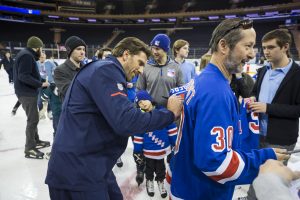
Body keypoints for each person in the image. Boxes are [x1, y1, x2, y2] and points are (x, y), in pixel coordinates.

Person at [45, 37, 183, 200]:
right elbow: (126, 121)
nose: (141, 71)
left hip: (93, 165)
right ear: (126, 55)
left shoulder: (104, 69)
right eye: (140, 63)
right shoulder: (106, 71)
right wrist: (169, 114)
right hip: (78, 172)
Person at [168, 18, 289, 200]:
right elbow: (215, 163)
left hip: (187, 184)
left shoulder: (205, 79)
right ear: (223, 46)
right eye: (247, 46)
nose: (252, 54)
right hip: (200, 192)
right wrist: (263, 163)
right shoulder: (216, 91)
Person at [248, 29, 300, 199]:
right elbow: (255, 92)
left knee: (271, 183)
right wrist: (251, 99)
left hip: (280, 139)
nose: (266, 51)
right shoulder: (263, 70)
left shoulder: (297, 74)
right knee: (255, 176)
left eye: (271, 47)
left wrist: (268, 108)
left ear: (285, 46)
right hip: (257, 136)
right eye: (264, 47)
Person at [133, 90, 177, 198]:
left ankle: (160, 181)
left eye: (144, 100)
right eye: (140, 103)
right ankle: (149, 181)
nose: (143, 103)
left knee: (161, 168)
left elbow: (171, 128)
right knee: (149, 168)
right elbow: (138, 135)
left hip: (161, 150)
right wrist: (137, 150)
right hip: (148, 151)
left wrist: (174, 144)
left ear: (150, 99)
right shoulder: (140, 118)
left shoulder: (162, 112)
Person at [13, 36, 50, 159]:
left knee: (33, 118)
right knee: (33, 120)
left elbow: (29, 74)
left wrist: (42, 80)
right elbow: (23, 76)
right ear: (37, 47)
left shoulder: (26, 54)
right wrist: (40, 84)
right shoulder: (26, 56)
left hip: (26, 92)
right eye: (41, 48)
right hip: (26, 93)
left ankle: (36, 141)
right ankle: (29, 148)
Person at [136, 33, 184, 108]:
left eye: (157, 49)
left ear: (165, 50)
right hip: (151, 113)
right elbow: (139, 89)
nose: (154, 52)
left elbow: (181, 90)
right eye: (153, 48)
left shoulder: (176, 67)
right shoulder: (146, 67)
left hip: (170, 112)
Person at [54, 36, 86, 102]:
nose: (82, 52)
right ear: (69, 51)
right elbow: (70, 92)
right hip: (72, 110)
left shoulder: (87, 68)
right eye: (78, 49)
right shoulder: (60, 70)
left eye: (83, 49)